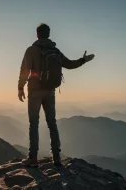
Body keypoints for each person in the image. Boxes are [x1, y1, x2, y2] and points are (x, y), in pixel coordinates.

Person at [17, 23, 95, 167]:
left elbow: (25, 70)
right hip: (50, 91)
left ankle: (33, 158)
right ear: (49, 34)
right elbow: (70, 64)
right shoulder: (55, 51)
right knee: (52, 123)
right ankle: (56, 157)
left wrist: (20, 87)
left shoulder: (31, 50)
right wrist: (83, 60)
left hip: (34, 91)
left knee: (34, 123)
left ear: (37, 34)